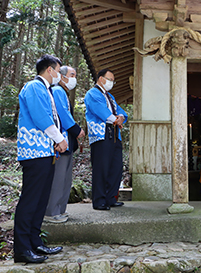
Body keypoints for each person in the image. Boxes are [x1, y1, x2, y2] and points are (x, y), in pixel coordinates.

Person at [14, 54, 68, 263]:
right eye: (58, 70)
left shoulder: (45, 89)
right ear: (49, 70)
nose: (59, 75)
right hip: (34, 152)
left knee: (40, 200)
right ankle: (22, 249)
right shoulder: (34, 87)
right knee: (30, 200)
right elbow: (40, 117)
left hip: (45, 152)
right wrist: (59, 138)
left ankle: (35, 242)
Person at [44, 66, 85, 223]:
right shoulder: (58, 90)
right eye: (72, 75)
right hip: (60, 141)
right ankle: (51, 212)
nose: (74, 78)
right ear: (61, 76)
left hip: (66, 142)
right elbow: (62, 113)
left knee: (65, 179)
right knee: (59, 178)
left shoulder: (62, 92)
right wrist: (76, 129)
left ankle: (59, 210)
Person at [84, 69, 127, 210]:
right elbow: (104, 113)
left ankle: (111, 197)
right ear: (101, 79)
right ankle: (99, 200)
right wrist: (116, 119)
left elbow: (122, 112)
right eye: (110, 79)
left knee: (116, 167)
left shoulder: (110, 97)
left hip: (114, 135)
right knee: (101, 168)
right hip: (101, 135)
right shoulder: (92, 94)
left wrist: (121, 117)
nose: (112, 82)